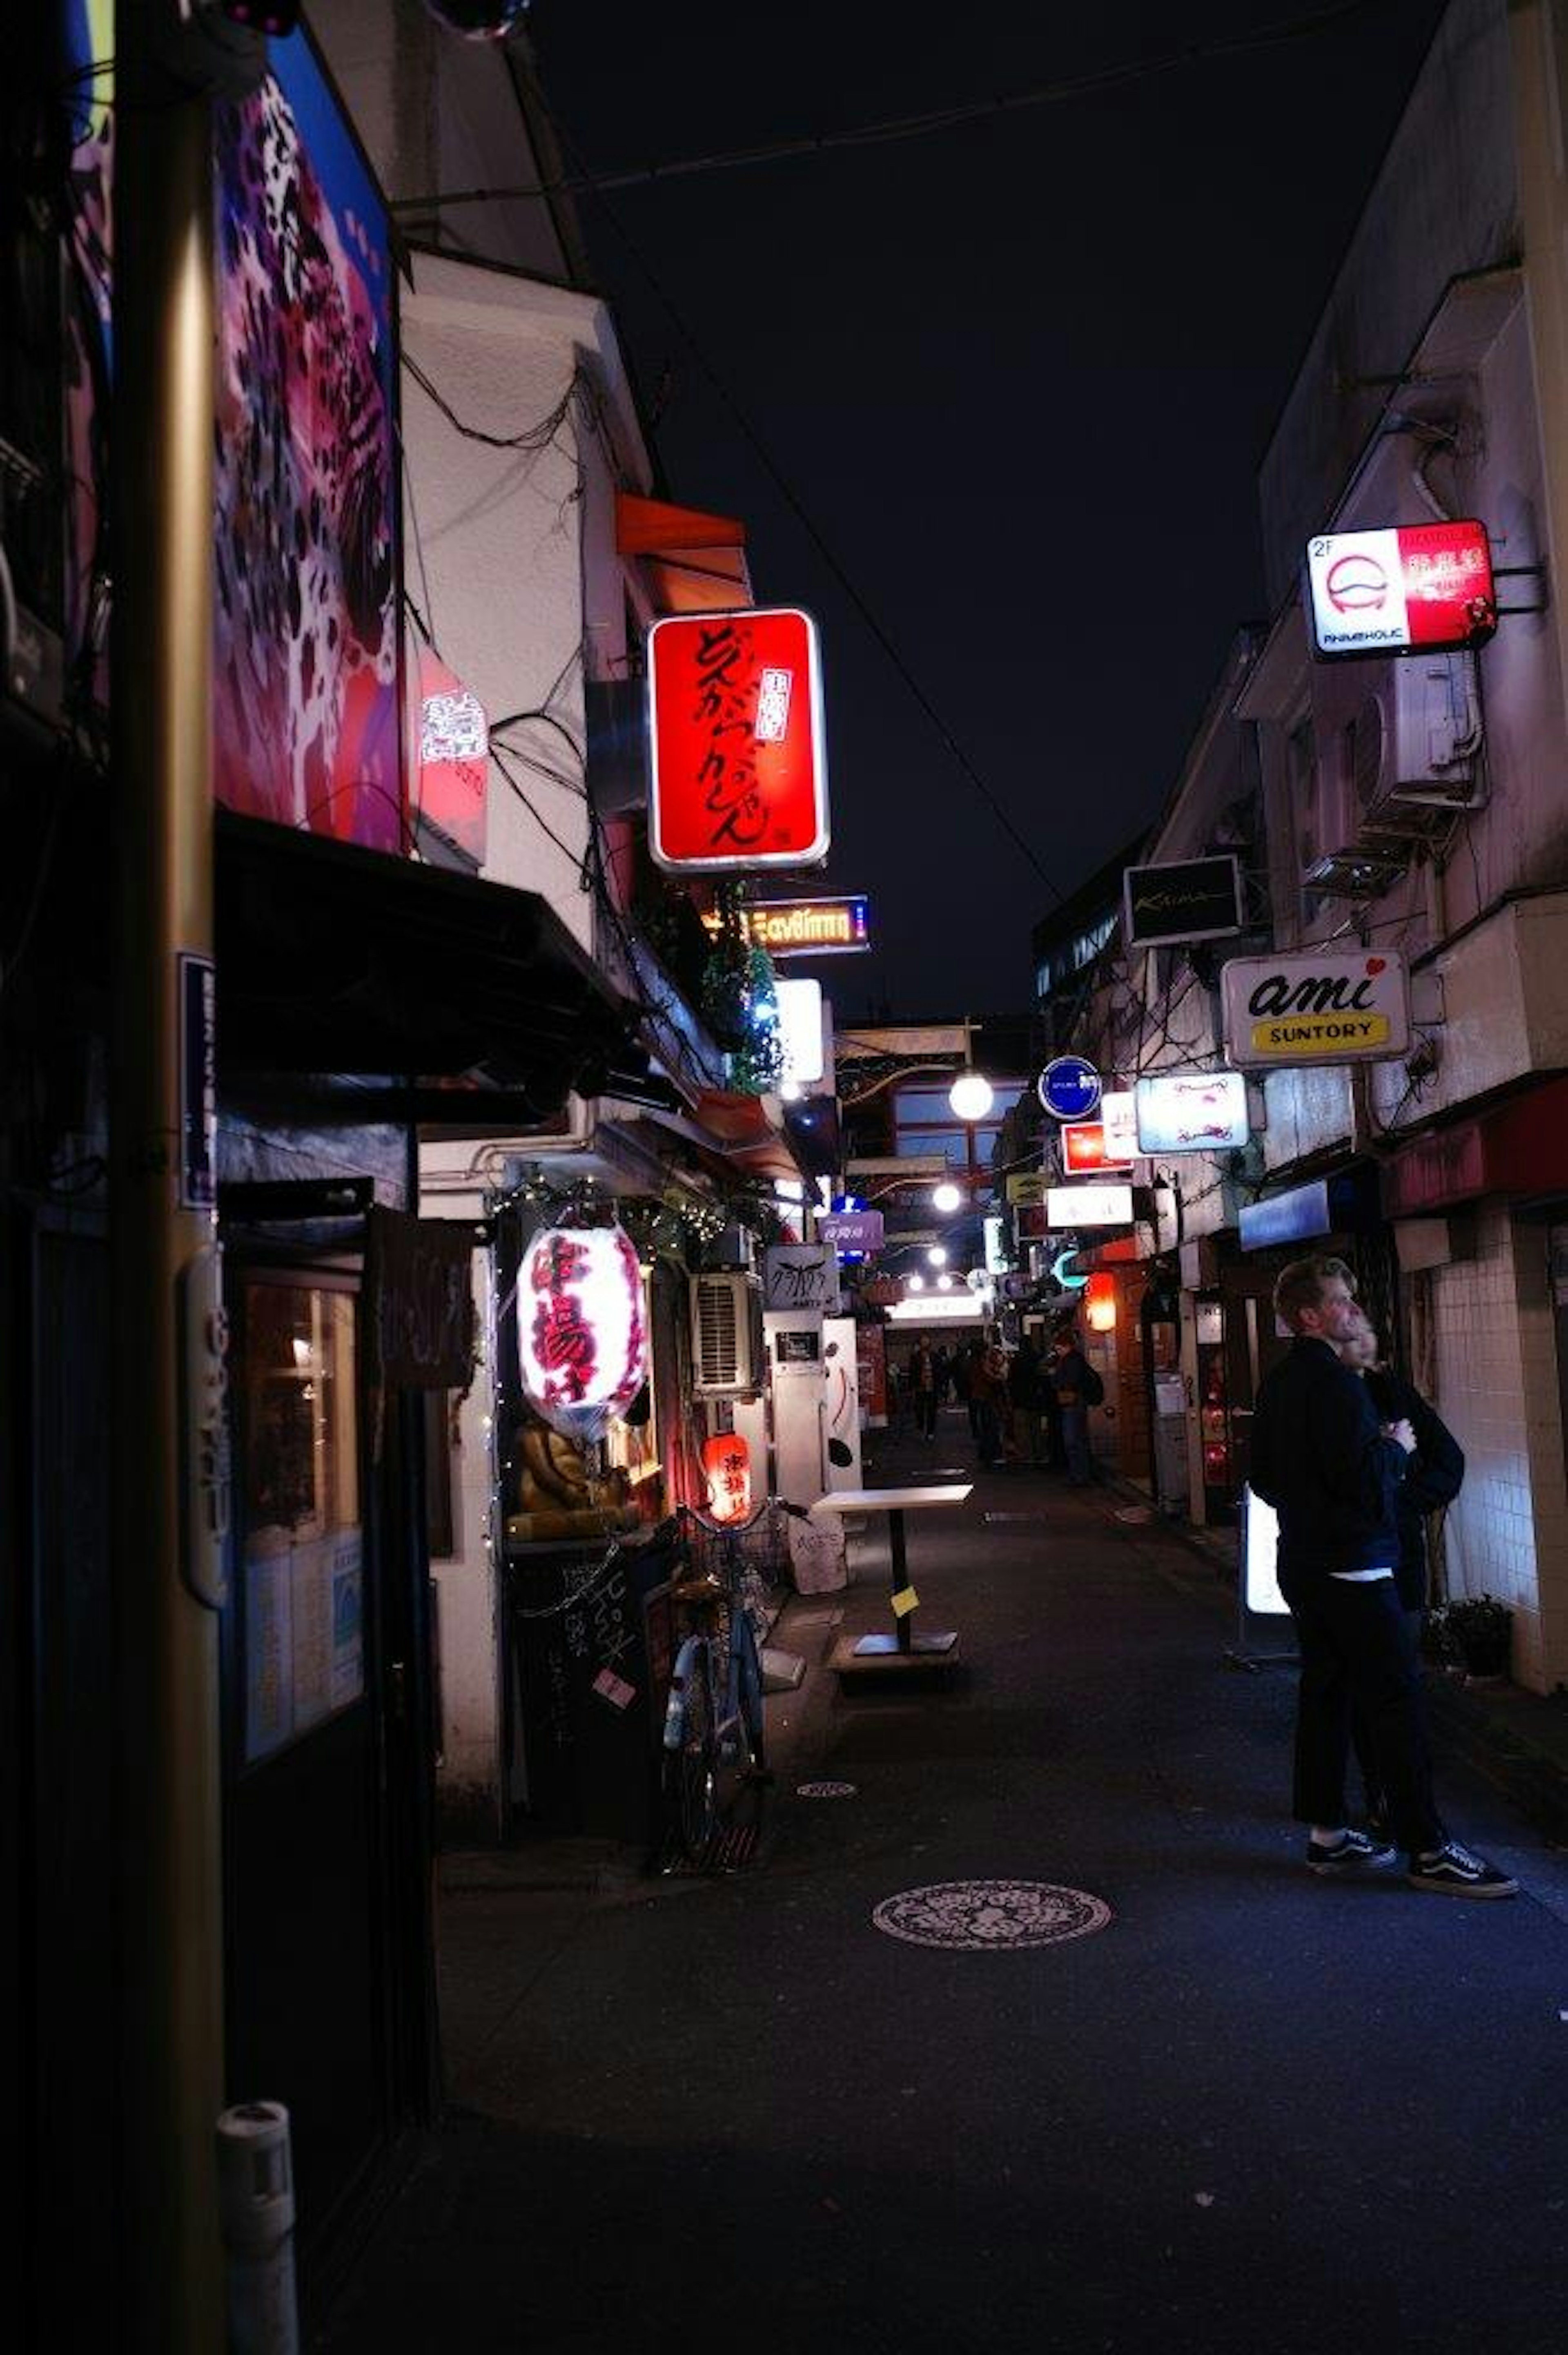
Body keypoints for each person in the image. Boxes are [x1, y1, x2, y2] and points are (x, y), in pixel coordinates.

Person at [1250, 1254, 1515, 1898]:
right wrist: (1395, 1447)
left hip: (1305, 1563)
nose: (1354, 1308)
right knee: (1395, 1703)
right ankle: (1428, 1848)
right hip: (1356, 1570)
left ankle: (1330, 1836)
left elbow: (1262, 1478)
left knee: (1326, 1696)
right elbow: (1368, 1481)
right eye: (1343, 1299)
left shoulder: (1280, 1383)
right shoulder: (1337, 1384)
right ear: (1311, 1315)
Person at [1337, 1320, 1465, 1834]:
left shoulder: (1393, 1394)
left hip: (1397, 1565)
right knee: (1372, 1687)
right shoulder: (1327, 1400)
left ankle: (1396, 1800)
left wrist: (1401, 1503)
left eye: (1361, 1331)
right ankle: (1382, 1795)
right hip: (1350, 1566)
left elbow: (1449, 1461)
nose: (1358, 1340)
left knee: (1394, 1686)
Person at [1051, 1327, 1095, 1486]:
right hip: (1075, 1402)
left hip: (1074, 1402)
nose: (1057, 1351)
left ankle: (1080, 1476)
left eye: (1058, 1348)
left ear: (1066, 1346)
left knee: (1073, 1440)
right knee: (1077, 1439)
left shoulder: (1072, 1360)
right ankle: (1080, 1474)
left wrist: (1057, 1380)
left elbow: (1070, 1381)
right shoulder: (1074, 1359)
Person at [1008, 1334, 1049, 1467]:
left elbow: (1011, 1381)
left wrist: (1012, 1399)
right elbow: (1043, 1378)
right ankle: (1040, 1454)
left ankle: (1027, 1455)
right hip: (1035, 1398)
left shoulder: (1016, 1360)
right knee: (1036, 1428)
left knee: (1023, 1429)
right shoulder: (1037, 1358)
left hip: (1020, 1400)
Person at [908, 1337, 938, 1439]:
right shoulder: (915, 1357)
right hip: (920, 1387)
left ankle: (930, 1431)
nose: (925, 1344)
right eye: (924, 1342)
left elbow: (939, 1371)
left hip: (932, 1386)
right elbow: (912, 1372)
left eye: (927, 1342)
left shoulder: (934, 1356)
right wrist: (913, 1386)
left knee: (932, 1410)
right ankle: (921, 1425)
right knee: (920, 1409)